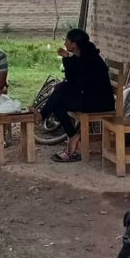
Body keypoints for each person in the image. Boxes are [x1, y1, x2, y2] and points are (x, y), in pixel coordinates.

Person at [42, 28, 115, 162]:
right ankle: (73, 135)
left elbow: (78, 82)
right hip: (89, 97)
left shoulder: (90, 59)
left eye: (67, 41)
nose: (65, 43)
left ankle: (42, 115)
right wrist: (66, 58)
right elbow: (73, 79)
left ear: (74, 44)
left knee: (61, 91)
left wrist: (67, 61)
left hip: (99, 102)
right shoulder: (81, 56)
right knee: (59, 102)